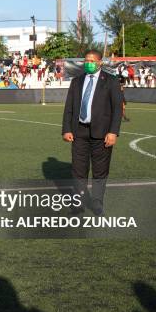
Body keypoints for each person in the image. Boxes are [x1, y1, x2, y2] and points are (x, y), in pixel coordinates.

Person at [62, 49, 123, 216]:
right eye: (86, 60)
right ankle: (78, 203)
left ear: (100, 62)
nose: (88, 63)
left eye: (92, 61)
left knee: (100, 170)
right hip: (79, 131)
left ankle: (97, 203)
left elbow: (117, 109)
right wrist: (66, 129)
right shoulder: (76, 81)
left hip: (102, 133)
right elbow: (69, 108)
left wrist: (113, 132)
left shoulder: (110, 81)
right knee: (78, 170)